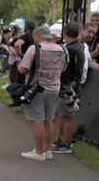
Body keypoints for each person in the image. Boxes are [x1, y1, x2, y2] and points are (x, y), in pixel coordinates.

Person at [18, 26, 67, 161]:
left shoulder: (35, 48)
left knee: (37, 120)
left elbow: (23, 69)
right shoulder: (62, 49)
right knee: (49, 119)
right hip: (55, 87)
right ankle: (47, 150)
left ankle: (39, 152)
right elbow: (63, 68)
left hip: (36, 88)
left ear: (38, 36)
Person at [52, 23, 85, 154]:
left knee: (67, 116)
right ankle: (62, 140)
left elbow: (65, 68)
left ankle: (66, 143)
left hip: (67, 86)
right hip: (71, 85)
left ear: (65, 33)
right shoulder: (78, 47)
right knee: (62, 114)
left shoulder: (71, 49)